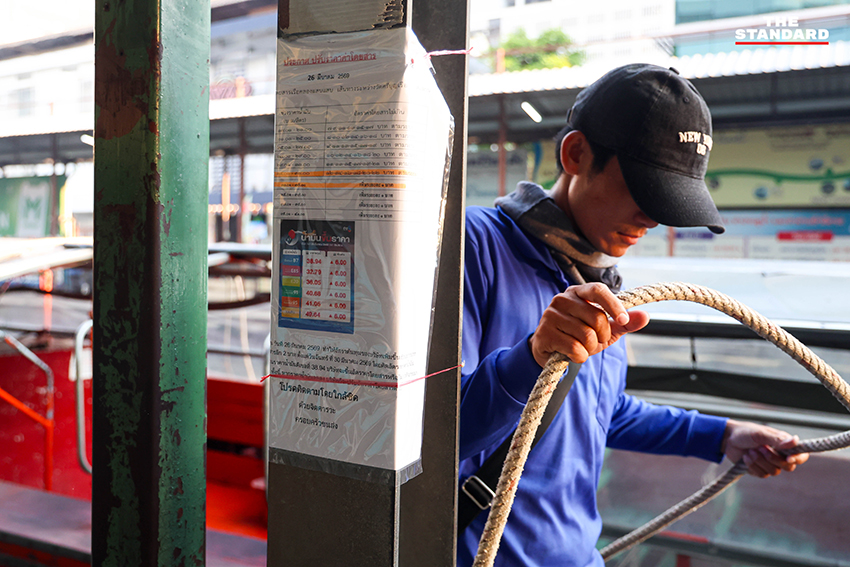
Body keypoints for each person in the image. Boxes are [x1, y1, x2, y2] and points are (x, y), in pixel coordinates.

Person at [457, 64, 810, 567]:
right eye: (644, 191)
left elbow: (598, 412)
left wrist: (723, 436)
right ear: (576, 154)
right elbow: (437, 433)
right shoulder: (474, 247)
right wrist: (532, 357)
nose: (653, 219)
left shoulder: (599, 278)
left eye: (669, 201)